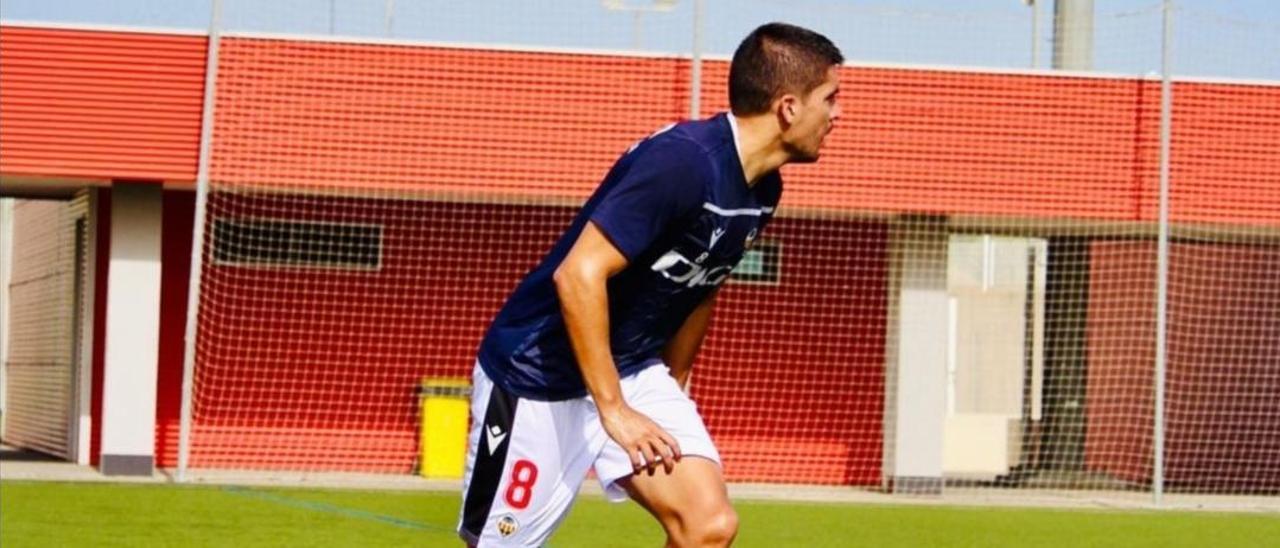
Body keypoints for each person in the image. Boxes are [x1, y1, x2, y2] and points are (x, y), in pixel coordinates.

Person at [457, 22, 843, 547]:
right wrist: (614, 410)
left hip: (635, 369)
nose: (837, 115)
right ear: (789, 107)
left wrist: (674, 381)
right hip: (538, 373)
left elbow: (702, 283)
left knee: (708, 527)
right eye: (830, 98)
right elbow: (579, 275)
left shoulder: (764, 187)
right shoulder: (682, 162)